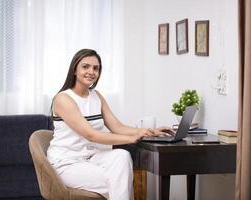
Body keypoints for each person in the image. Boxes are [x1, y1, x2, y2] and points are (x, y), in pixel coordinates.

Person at [47, 49, 172, 200]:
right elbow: (90, 135)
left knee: (122, 156)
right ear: (74, 70)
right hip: (67, 163)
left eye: (96, 68)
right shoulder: (63, 99)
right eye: (85, 67)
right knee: (118, 181)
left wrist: (149, 131)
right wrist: (132, 139)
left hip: (92, 158)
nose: (91, 72)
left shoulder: (96, 96)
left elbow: (117, 127)